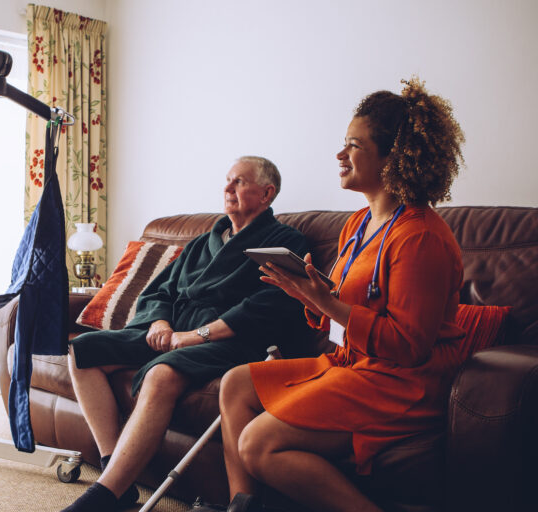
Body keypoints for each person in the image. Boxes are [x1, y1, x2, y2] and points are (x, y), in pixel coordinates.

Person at [217, 77, 466, 512]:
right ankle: (244, 506)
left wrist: (328, 303)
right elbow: (341, 311)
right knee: (235, 382)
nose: (339, 154)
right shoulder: (357, 225)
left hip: (399, 383)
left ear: (393, 158)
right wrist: (306, 294)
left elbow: (410, 346)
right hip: (351, 364)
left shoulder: (420, 237)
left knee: (257, 444)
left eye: (353, 144)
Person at [61, 156, 315, 512]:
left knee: (162, 374)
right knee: (83, 351)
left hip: (230, 341)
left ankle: (104, 495)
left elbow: (269, 305)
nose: (228, 188)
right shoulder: (202, 242)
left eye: (239, 182)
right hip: (174, 331)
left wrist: (195, 336)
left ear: (267, 193)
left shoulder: (284, 241)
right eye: (228, 180)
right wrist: (161, 324)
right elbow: (158, 291)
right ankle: (114, 471)